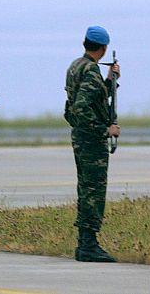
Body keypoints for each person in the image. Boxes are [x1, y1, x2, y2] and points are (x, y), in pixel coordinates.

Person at [64, 25, 121, 262]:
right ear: (104, 47)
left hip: (81, 136)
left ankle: (85, 243)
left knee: (86, 189)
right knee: (93, 191)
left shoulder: (77, 66)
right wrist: (104, 129)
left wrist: (110, 81)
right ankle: (88, 245)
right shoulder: (89, 70)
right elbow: (82, 107)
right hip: (91, 140)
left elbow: (92, 98)